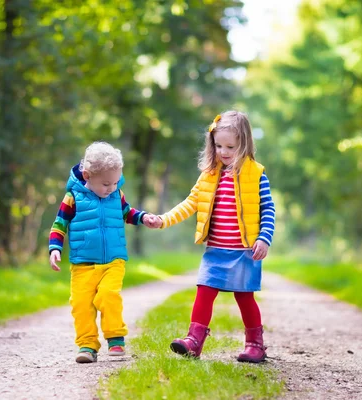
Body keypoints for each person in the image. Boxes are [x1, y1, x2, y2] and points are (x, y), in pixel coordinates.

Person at [158, 111, 276, 363]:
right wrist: (163, 219)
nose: (223, 151)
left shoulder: (256, 174)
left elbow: (268, 208)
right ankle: (194, 341)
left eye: (230, 146)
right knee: (204, 291)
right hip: (215, 251)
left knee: (244, 297)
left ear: (244, 144)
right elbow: (190, 204)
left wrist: (264, 238)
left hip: (244, 251)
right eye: (218, 145)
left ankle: (255, 344)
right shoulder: (209, 175)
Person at [48, 141, 161, 364]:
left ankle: (115, 337)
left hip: (113, 260)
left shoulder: (116, 194)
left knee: (109, 295)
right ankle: (87, 345)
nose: (111, 187)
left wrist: (144, 217)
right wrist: (55, 248)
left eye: (116, 182)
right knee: (81, 304)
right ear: (87, 175)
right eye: (106, 183)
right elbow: (59, 224)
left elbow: (128, 213)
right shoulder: (73, 197)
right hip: (82, 263)